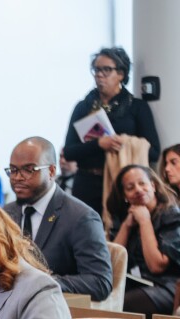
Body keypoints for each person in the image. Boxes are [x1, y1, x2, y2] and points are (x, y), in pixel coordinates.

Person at [3, 137, 112, 302]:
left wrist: (42, 282)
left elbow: (100, 282)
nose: (17, 177)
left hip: (55, 309)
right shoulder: (6, 213)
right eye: (13, 170)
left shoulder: (80, 217)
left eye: (28, 169)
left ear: (52, 171)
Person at [64, 47, 160, 217]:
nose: (99, 75)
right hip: (87, 183)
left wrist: (126, 143)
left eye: (106, 70)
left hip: (121, 185)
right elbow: (70, 151)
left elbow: (154, 152)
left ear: (121, 74)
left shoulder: (137, 107)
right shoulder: (83, 107)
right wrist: (99, 144)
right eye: (96, 69)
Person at [106, 164, 180, 318]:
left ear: (153, 186)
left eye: (142, 184)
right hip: (137, 283)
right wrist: (127, 225)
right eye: (130, 187)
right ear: (125, 195)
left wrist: (145, 221)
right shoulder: (124, 218)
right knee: (101, 296)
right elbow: (112, 263)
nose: (138, 190)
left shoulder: (171, 215)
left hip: (166, 287)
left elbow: (156, 266)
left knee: (119, 305)